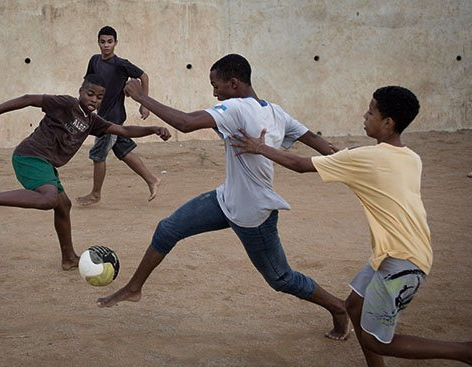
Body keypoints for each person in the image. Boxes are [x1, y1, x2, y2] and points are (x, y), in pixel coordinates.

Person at [97, 54, 351, 341]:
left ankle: (338, 307)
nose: (214, 92)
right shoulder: (276, 112)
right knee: (167, 229)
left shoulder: (235, 107)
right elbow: (319, 143)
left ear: (233, 83)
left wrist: (143, 97)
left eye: (215, 85)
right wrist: (344, 157)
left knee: (281, 279)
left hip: (254, 214)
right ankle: (134, 288)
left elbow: (185, 122)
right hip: (226, 199)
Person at [231, 86, 472, 365]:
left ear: (388, 123)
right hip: (395, 252)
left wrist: (260, 147)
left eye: (371, 111)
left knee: (376, 340)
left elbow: (299, 164)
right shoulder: (411, 158)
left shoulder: (366, 158)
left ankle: (463, 352)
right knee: (354, 306)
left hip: (402, 260)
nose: (365, 115)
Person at [0, 74, 171, 271]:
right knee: (49, 198)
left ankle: (69, 258)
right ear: (80, 91)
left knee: (63, 205)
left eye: (99, 97)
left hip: (45, 164)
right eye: (90, 93)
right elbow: (27, 100)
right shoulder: (65, 104)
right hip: (29, 157)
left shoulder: (92, 121)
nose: (94, 99)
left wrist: (152, 129)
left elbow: (122, 129)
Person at [76, 26, 159, 206]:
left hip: (112, 118)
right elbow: (88, 81)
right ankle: (152, 180)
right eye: (103, 42)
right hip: (101, 114)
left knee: (98, 155)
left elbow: (144, 76)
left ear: (116, 43)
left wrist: (144, 103)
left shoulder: (121, 64)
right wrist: (81, 101)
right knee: (123, 150)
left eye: (110, 42)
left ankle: (95, 194)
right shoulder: (95, 60)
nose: (106, 45)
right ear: (98, 42)